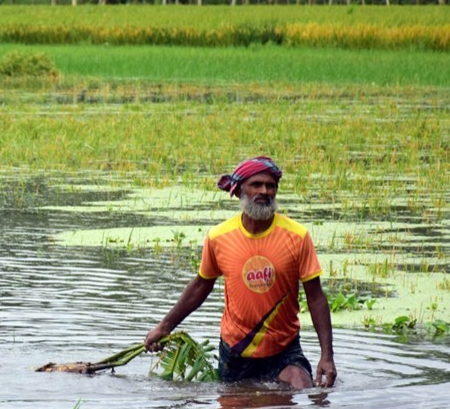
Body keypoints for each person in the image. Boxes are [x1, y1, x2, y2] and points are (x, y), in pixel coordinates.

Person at [144, 156, 337, 389]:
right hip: (236, 351)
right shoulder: (219, 237)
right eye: (256, 184)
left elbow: (315, 297)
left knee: (302, 389)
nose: (265, 191)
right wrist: (165, 327)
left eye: (270, 185)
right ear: (239, 191)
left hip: (284, 348)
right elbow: (200, 286)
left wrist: (327, 356)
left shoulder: (297, 236)